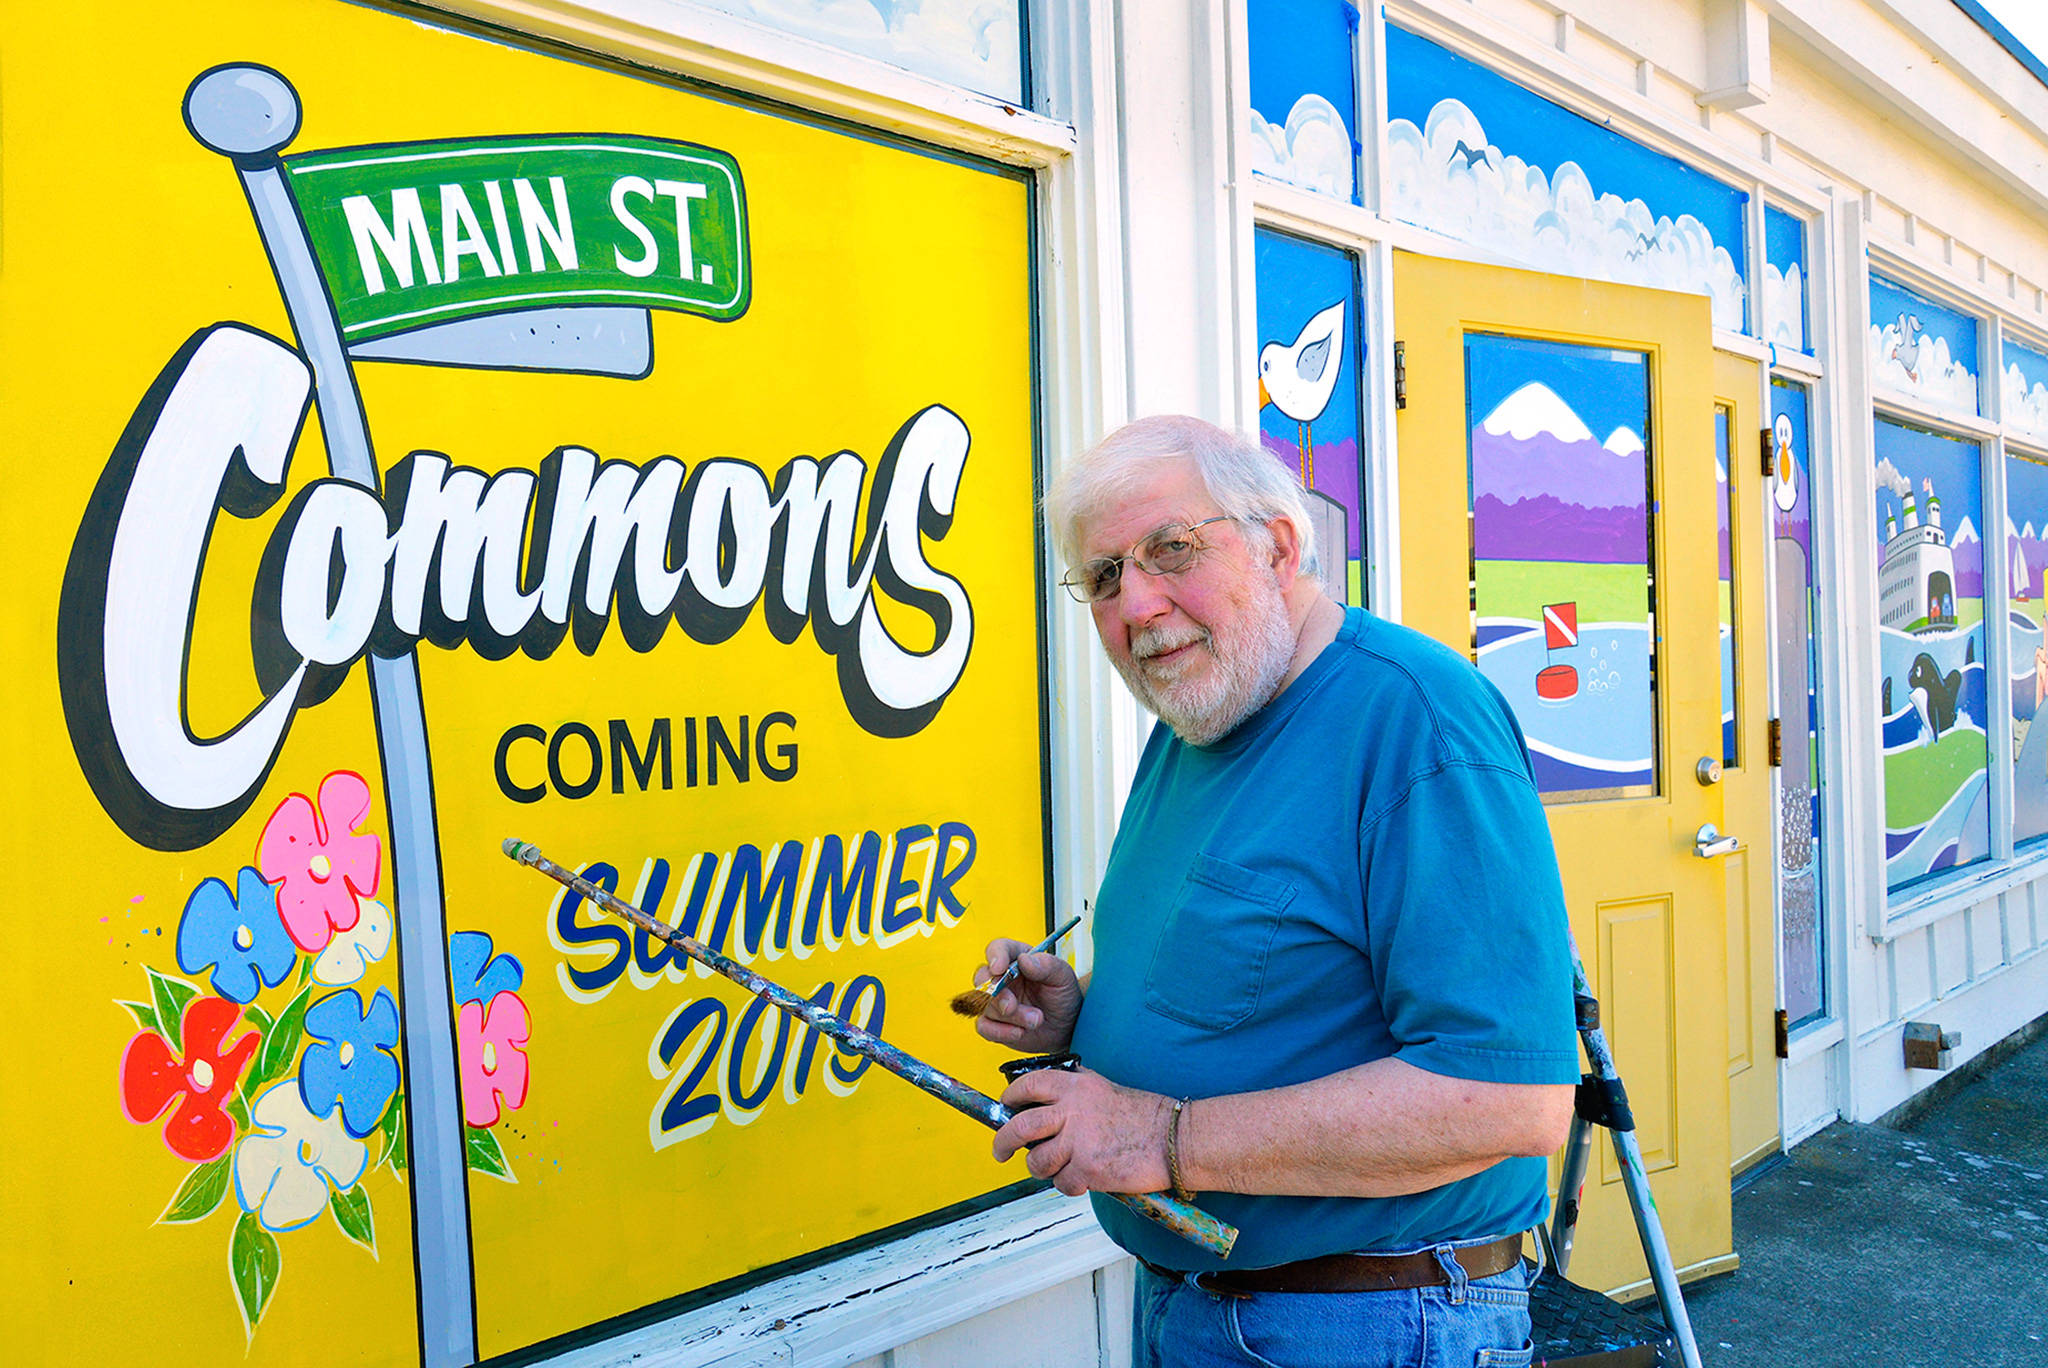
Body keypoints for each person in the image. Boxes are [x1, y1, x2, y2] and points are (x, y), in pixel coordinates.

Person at [973, 415, 1579, 1368]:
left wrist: (1158, 1137)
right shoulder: (1195, 720)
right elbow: (1268, 990)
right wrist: (1080, 1021)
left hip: (1374, 1323)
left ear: (1279, 547)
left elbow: (1507, 1097)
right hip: (1198, 1306)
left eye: (1170, 550)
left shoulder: (1416, 722)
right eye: (1102, 579)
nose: (1136, 606)